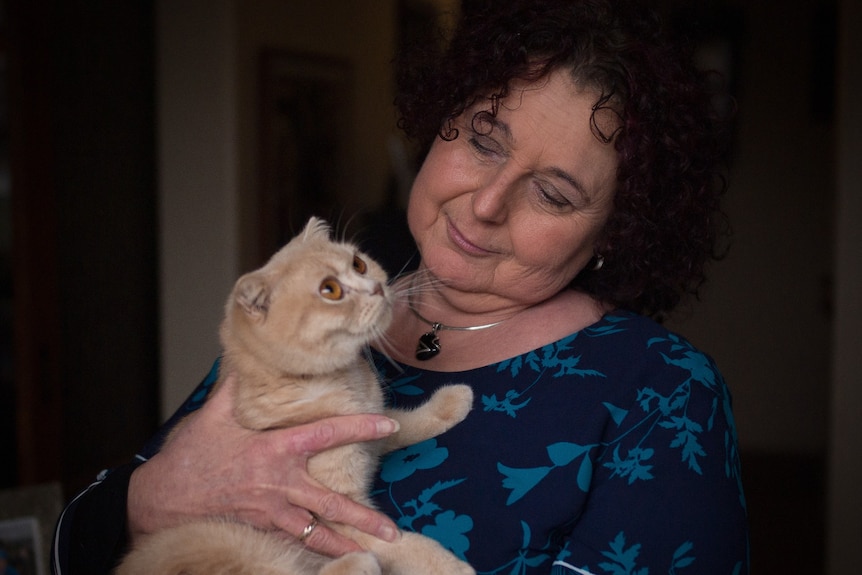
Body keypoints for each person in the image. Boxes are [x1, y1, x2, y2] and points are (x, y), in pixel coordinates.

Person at [52, 1, 749, 573]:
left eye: (554, 193)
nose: (486, 202)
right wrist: (151, 495)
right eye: (484, 140)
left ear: (614, 231)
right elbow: (79, 540)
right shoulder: (307, 320)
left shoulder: (661, 392)